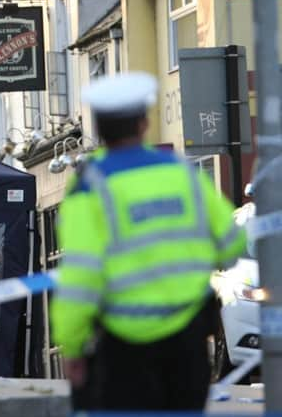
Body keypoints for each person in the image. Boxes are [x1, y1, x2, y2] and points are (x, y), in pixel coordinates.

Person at [50, 72, 246, 411]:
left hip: (124, 346)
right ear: (144, 122)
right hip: (188, 342)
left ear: (99, 127)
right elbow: (232, 243)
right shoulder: (181, 173)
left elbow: (81, 278)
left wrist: (72, 344)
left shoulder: (90, 188)